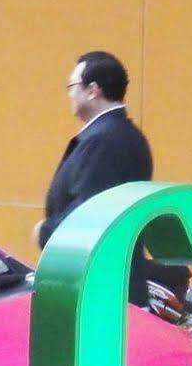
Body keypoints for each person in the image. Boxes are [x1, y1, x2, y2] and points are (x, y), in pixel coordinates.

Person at [40, 50, 156, 301]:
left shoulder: (104, 141)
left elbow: (90, 212)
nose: (69, 94)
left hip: (102, 291)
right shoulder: (120, 134)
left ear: (93, 90)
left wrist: (45, 231)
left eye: (72, 86)